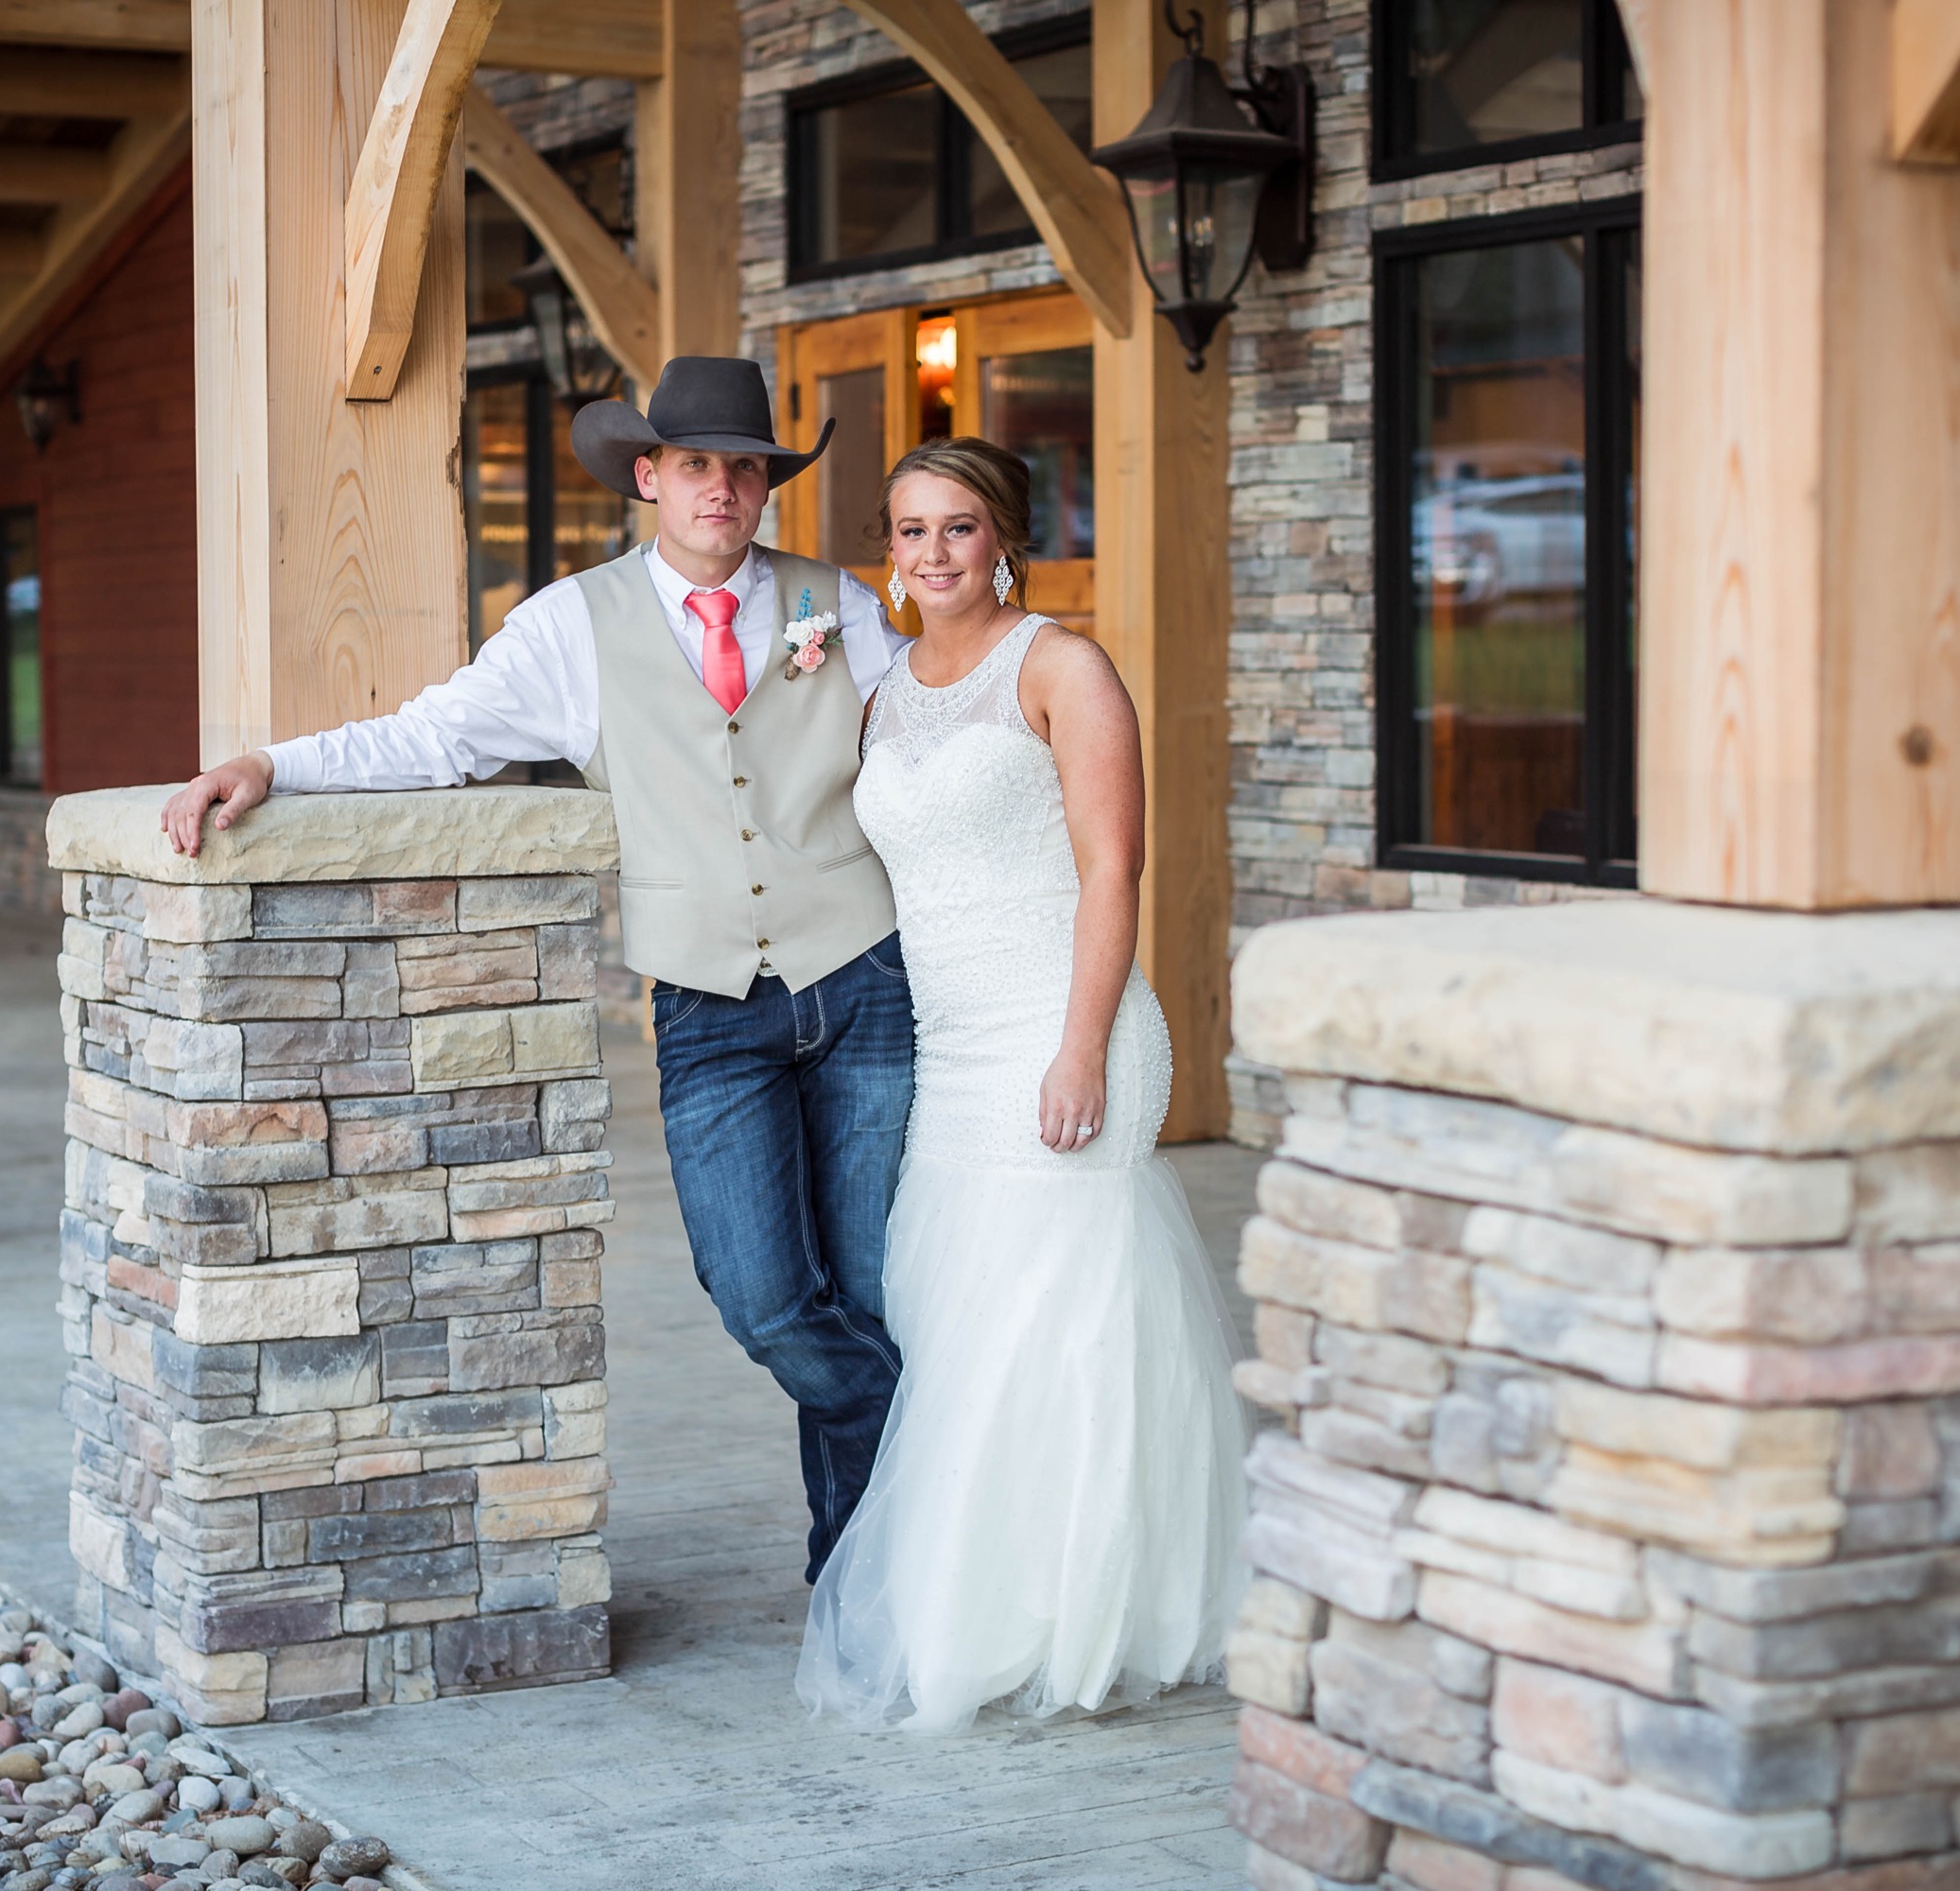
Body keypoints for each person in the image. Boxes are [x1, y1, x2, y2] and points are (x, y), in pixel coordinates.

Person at [160, 357, 912, 1586]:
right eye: (696, 466)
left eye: (745, 467)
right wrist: (272, 766)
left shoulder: (848, 608)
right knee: (767, 1298)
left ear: (767, 487)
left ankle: (862, 1584)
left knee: (872, 1291)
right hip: (710, 1007)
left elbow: (925, 757)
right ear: (648, 477)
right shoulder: (574, 627)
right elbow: (433, 737)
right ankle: (932, 1449)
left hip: (865, 978)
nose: (721, 487)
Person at [791, 438, 1247, 1734]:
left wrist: (1082, 1048)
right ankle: (979, 1611)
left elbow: (1115, 870)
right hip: (949, 1046)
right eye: (913, 530)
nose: (935, 553)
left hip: (1062, 1027)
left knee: (1058, 1331)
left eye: (960, 527)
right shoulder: (882, 693)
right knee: (962, 1324)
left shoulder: (1062, 666)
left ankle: (1086, 1614)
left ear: (1006, 538)